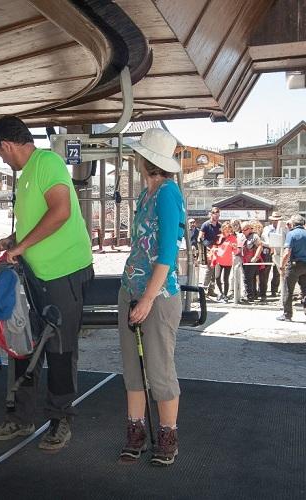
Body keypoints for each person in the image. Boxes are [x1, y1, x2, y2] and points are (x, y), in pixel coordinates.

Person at [0, 116, 93, 451]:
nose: (3, 160)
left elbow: (60, 212)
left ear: (5, 145)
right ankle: (20, 418)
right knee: (23, 343)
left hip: (64, 272)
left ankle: (60, 422)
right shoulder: (28, 175)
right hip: (35, 274)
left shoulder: (47, 162)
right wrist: (13, 239)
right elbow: (39, 220)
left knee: (60, 349)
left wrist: (20, 246)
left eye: (0, 154)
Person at [117, 128, 185, 466]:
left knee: (159, 369)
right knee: (133, 368)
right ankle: (136, 432)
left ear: (145, 160)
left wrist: (146, 298)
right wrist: (135, 294)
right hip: (131, 290)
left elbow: (168, 253)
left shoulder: (168, 194)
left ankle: (168, 435)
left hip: (156, 296)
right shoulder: (147, 194)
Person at [277, 214, 306, 325]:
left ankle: (287, 315)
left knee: (288, 290)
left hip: (294, 265)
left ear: (293, 224)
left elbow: (287, 253)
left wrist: (282, 266)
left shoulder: (291, 234)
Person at [198, 207, 221, 296]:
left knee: (215, 272)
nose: (217, 216)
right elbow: (200, 238)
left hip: (218, 250)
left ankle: (211, 290)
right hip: (209, 250)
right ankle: (203, 289)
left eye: (218, 215)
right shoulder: (206, 224)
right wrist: (208, 246)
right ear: (211, 214)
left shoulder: (219, 225)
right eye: (216, 214)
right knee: (209, 270)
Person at [261, 211, 285, 298]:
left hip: (279, 251)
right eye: (274, 220)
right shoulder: (267, 229)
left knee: (277, 272)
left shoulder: (283, 229)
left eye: (277, 220)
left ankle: (274, 291)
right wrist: (270, 245)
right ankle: (263, 291)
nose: (276, 222)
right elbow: (263, 240)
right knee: (265, 272)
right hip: (268, 251)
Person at [213, 222, 237, 303]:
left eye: (228, 228)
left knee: (225, 279)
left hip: (228, 261)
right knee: (217, 277)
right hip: (219, 260)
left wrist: (235, 247)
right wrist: (214, 250)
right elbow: (214, 247)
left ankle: (225, 295)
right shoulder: (219, 237)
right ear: (222, 229)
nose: (227, 230)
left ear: (231, 229)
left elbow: (236, 251)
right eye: (225, 228)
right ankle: (221, 293)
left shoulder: (233, 238)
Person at [240, 220, 263, 302]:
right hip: (244, 260)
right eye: (242, 230)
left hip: (252, 261)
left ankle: (249, 296)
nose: (243, 232)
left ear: (250, 229)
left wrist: (256, 257)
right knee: (250, 278)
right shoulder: (242, 236)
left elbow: (260, 246)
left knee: (247, 278)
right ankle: (253, 295)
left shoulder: (254, 236)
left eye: (245, 230)